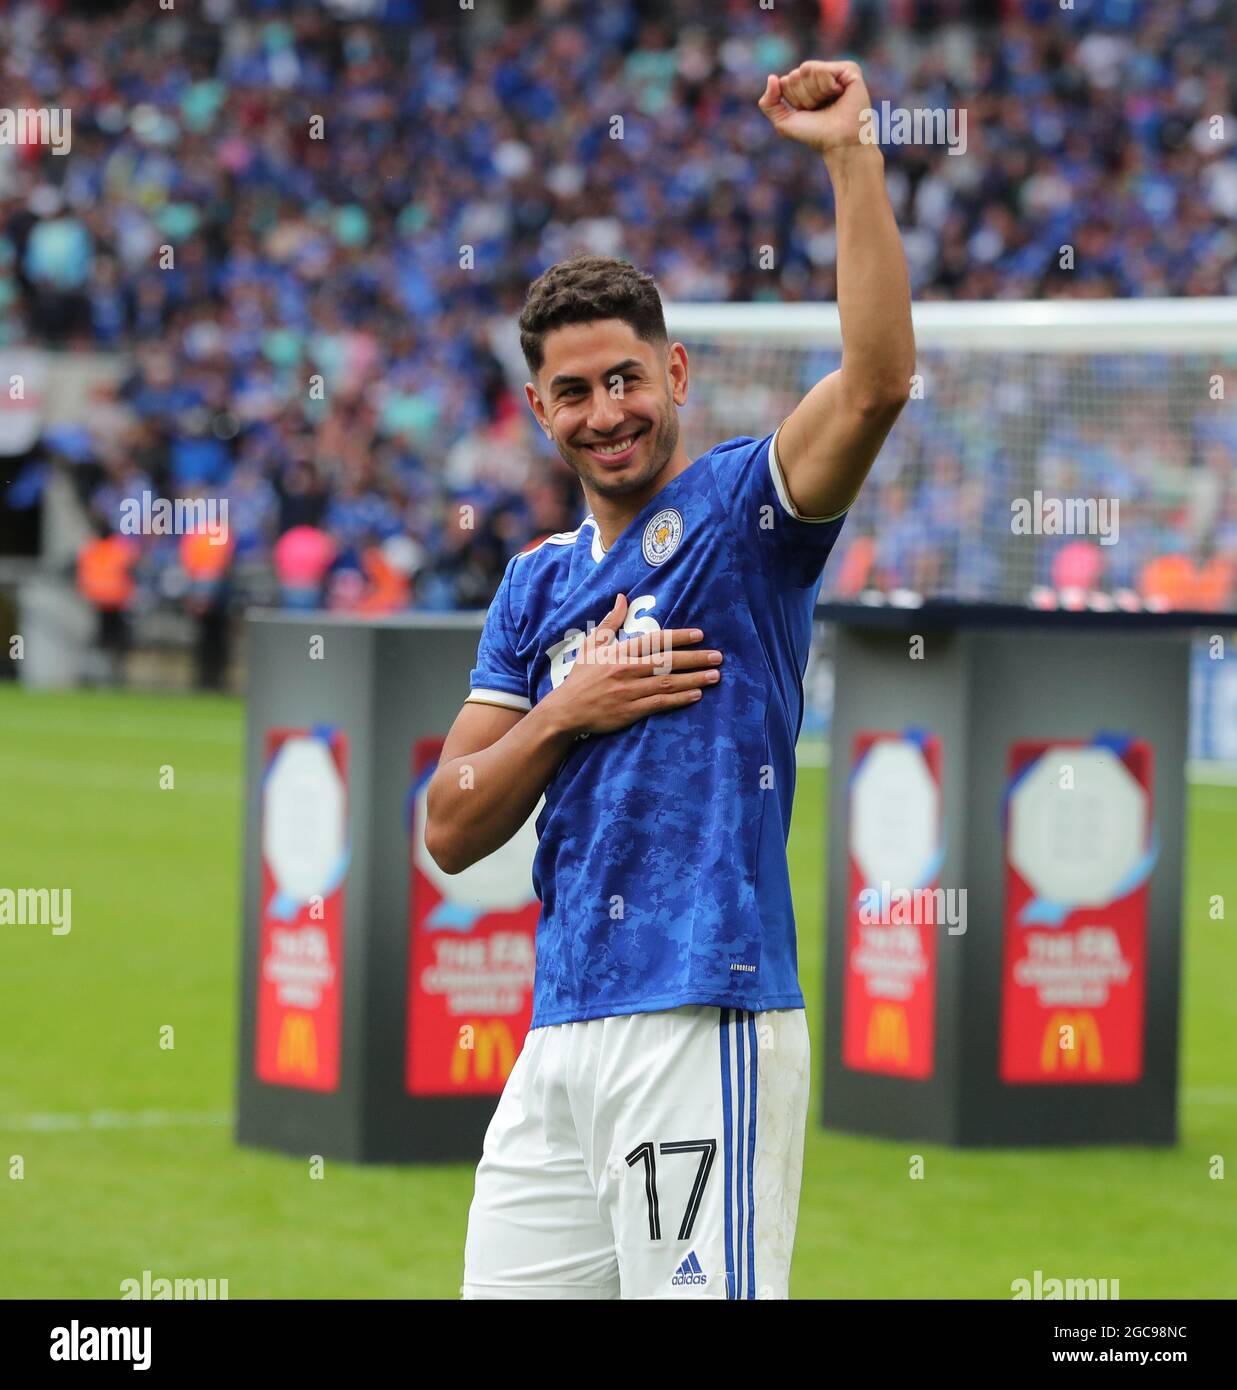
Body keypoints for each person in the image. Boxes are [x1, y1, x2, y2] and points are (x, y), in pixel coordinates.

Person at [426, 60, 913, 1300]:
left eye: (627, 379)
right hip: (560, 1035)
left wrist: (850, 152)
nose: (608, 412)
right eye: (575, 392)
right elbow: (450, 817)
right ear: (539, 409)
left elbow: (875, 383)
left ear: (677, 374)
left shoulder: (743, 514)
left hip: (702, 1016)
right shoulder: (533, 584)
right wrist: (568, 709)